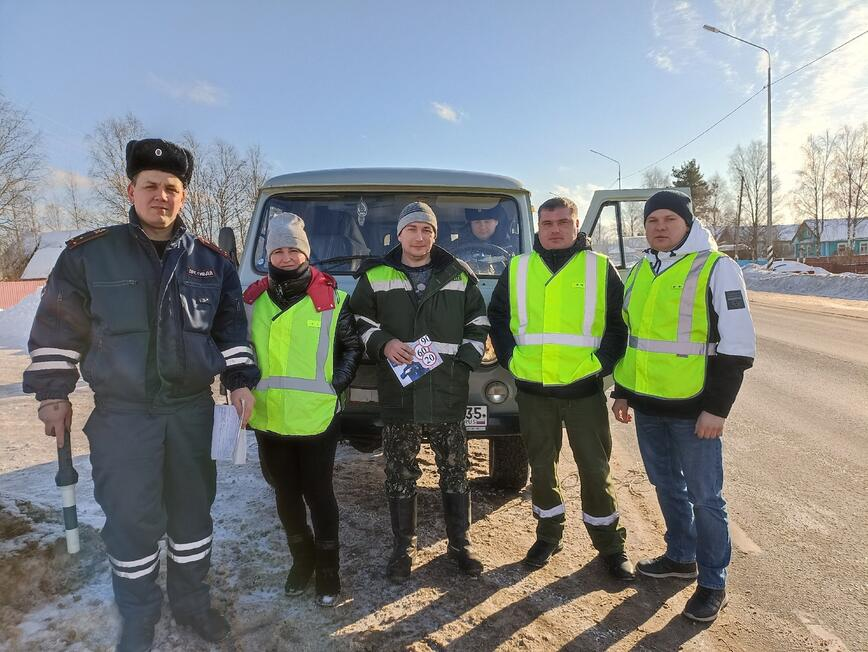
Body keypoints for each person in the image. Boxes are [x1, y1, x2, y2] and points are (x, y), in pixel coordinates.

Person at [23, 138, 260, 652]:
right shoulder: (90, 255)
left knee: (193, 516)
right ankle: (137, 617)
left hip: (191, 413)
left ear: (184, 197)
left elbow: (232, 332)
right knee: (131, 519)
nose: (161, 196)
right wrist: (52, 393)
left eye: (171, 188)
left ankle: (192, 605)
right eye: (150, 186)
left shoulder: (211, 262)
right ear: (130, 190)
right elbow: (57, 329)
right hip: (123, 416)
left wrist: (241, 382)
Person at [611, 190, 756, 622]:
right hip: (650, 406)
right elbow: (633, 340)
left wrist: (718, 408)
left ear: (688, 223)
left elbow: (738, 346)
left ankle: (713, 581)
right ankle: (680, 557)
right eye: (652, 219)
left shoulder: (717, 268)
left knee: (706, 497)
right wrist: (624, 391)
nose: (659, 226)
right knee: (666, 485)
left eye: (669, 219)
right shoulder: (640, 270)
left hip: (696, 409)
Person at [488, 196, 635, 580]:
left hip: (582, 390)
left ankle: (610, 546)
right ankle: (548, 535)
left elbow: (619, 327)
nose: (555, 230)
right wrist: (511, 360)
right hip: (534, 390)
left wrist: (598, 367)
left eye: (562, 222)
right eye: (547, 223)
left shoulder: (600, 268)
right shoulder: (518, 268)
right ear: (539, 226)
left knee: (595, 468)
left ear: (575, 225)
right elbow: (498, 317)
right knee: (541, 467)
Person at [349, 201, 490, 582]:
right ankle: (403, 548)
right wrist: (382, 342)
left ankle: (460, 545)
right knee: (399, 471)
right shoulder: (376, 275)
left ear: (435, 235)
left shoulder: (459, 276)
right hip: (401, 392)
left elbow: (478, 324)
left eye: (427, 230)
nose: (419, 236)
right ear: (400, 235)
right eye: (412, 229)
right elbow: (357, 318)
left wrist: (463, 366)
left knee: (456, 470)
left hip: (447, 390)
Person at [242, 212, 363, 607]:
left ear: (305, 252)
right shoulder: (252, 300)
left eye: (293, 249)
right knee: (285, 493)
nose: (286, 256)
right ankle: (302, 559)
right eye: (278, 250)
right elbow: (238, 350)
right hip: (268, 418)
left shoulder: (332, 299)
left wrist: (335, 387)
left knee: (319, 494)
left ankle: (329, 569)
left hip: (315, 418)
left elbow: (352, 347)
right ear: (269, 255)